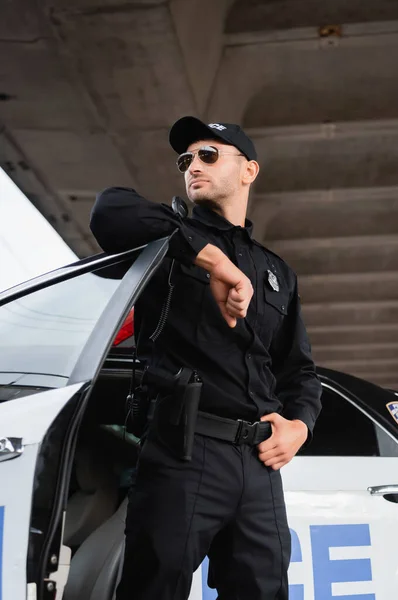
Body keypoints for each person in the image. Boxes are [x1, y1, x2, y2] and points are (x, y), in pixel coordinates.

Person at [90, 116, 322, 600]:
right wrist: (214, 261)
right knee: (153, 589)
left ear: (249, 171)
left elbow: (298, 371)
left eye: (208, 155)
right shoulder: (166, 240)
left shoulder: (277, 272)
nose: (192, 165)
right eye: (185, 159)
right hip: (183, 451)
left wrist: (299, 425)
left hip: (259, 464)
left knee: (263, 590)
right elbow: (109, 209)